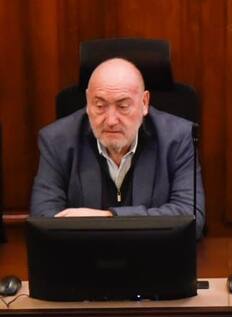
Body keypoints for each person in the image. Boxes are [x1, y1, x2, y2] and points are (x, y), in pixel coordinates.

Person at [30, 57, 205, 239]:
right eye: (100, 106)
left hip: (153, 253)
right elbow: (43, 219)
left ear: (144, 103)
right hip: (85, 253)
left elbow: (192, 219)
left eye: (123, 106)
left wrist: (107, 217)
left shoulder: (178, 138)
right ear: (88, 102)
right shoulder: (57, 140)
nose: (111, 120)